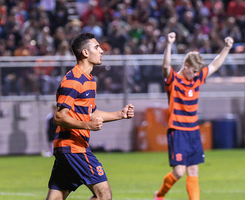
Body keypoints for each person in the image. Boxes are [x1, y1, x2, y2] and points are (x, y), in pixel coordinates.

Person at [46, 32, 134, 200]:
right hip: (74, 147)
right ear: (85, 53)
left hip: (69, 148)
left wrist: (120, 114)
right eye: (96, 47)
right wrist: (87, 126)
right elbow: (59, 117)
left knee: (56, 197)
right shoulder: (73, 80)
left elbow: (91, 113)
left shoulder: (90, 80)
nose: (101, 50)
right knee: (104, 195)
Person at [154, 32, 234, 200]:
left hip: (193, 131)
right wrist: (168, 45)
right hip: (178, 130)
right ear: (187, 65)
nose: (197, 74)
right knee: (179, 171)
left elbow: (214, 66)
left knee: (193, 170)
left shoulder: (196, 79)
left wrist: (226, 48)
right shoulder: (174, 80)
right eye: (194, 71)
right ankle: (160, 195)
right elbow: (166, 67)